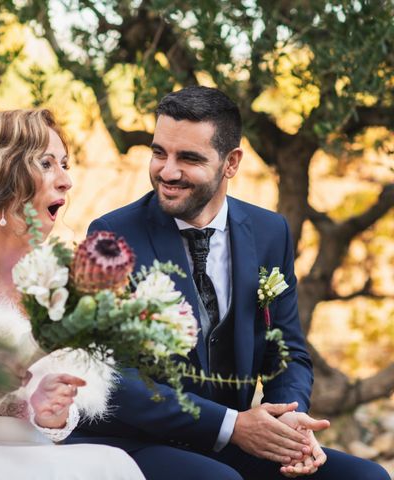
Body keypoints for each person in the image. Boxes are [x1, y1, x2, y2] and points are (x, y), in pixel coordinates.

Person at [66, 86, 389, 480]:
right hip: (140, 442)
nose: (167, 171)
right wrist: (232, 425)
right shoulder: (112, 236)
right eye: (158, 152)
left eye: (188, 158)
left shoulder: (271, 231)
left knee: (365, 477)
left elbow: (286, 351)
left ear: (231, 162)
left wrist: (289, 424)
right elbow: (111, 377)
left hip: (235, 442)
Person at [0, 109, 145, 479]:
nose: (66, 181)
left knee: (115, 465)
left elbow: (58, 419)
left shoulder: (61, 288)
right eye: (47, 164)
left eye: (65, 164)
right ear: (4, 176)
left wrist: (50, 411)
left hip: (34, 455)